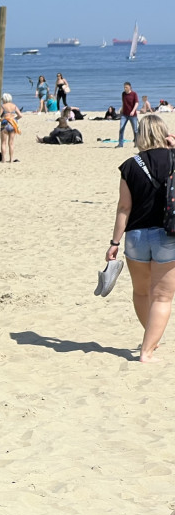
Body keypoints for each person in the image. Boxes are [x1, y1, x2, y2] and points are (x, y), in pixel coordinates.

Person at [106, 114, 175, 362]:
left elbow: (124, 207)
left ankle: (150, 338)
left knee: (141, 292)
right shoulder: (173, 159)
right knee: (163, 296)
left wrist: (114, 243)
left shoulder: (130, 165)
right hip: (167, 235)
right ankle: (146, 351)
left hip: (135, 236)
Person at [0, 93, 22, 163]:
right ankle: (11, 159)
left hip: (5, 124)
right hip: (12, 124)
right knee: (11, 143)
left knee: (3, 143)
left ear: (4, 99)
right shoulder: (14, 106)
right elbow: (20, 115)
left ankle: (3, 159)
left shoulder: (3, 106)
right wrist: (15, 119)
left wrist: (2, 118)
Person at [119, 83, 142, 149]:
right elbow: (123, 103)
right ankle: (120, 144)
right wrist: (121, 110)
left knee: (135, 130)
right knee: (121, 128)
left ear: (129, 87)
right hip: (124, 114)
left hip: (132, 115)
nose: (125, 88)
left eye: (126, 87)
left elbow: (137, 103)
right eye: (124, 87)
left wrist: (133, 110)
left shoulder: (134, 94)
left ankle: (136, 143)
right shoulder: (123, 94)